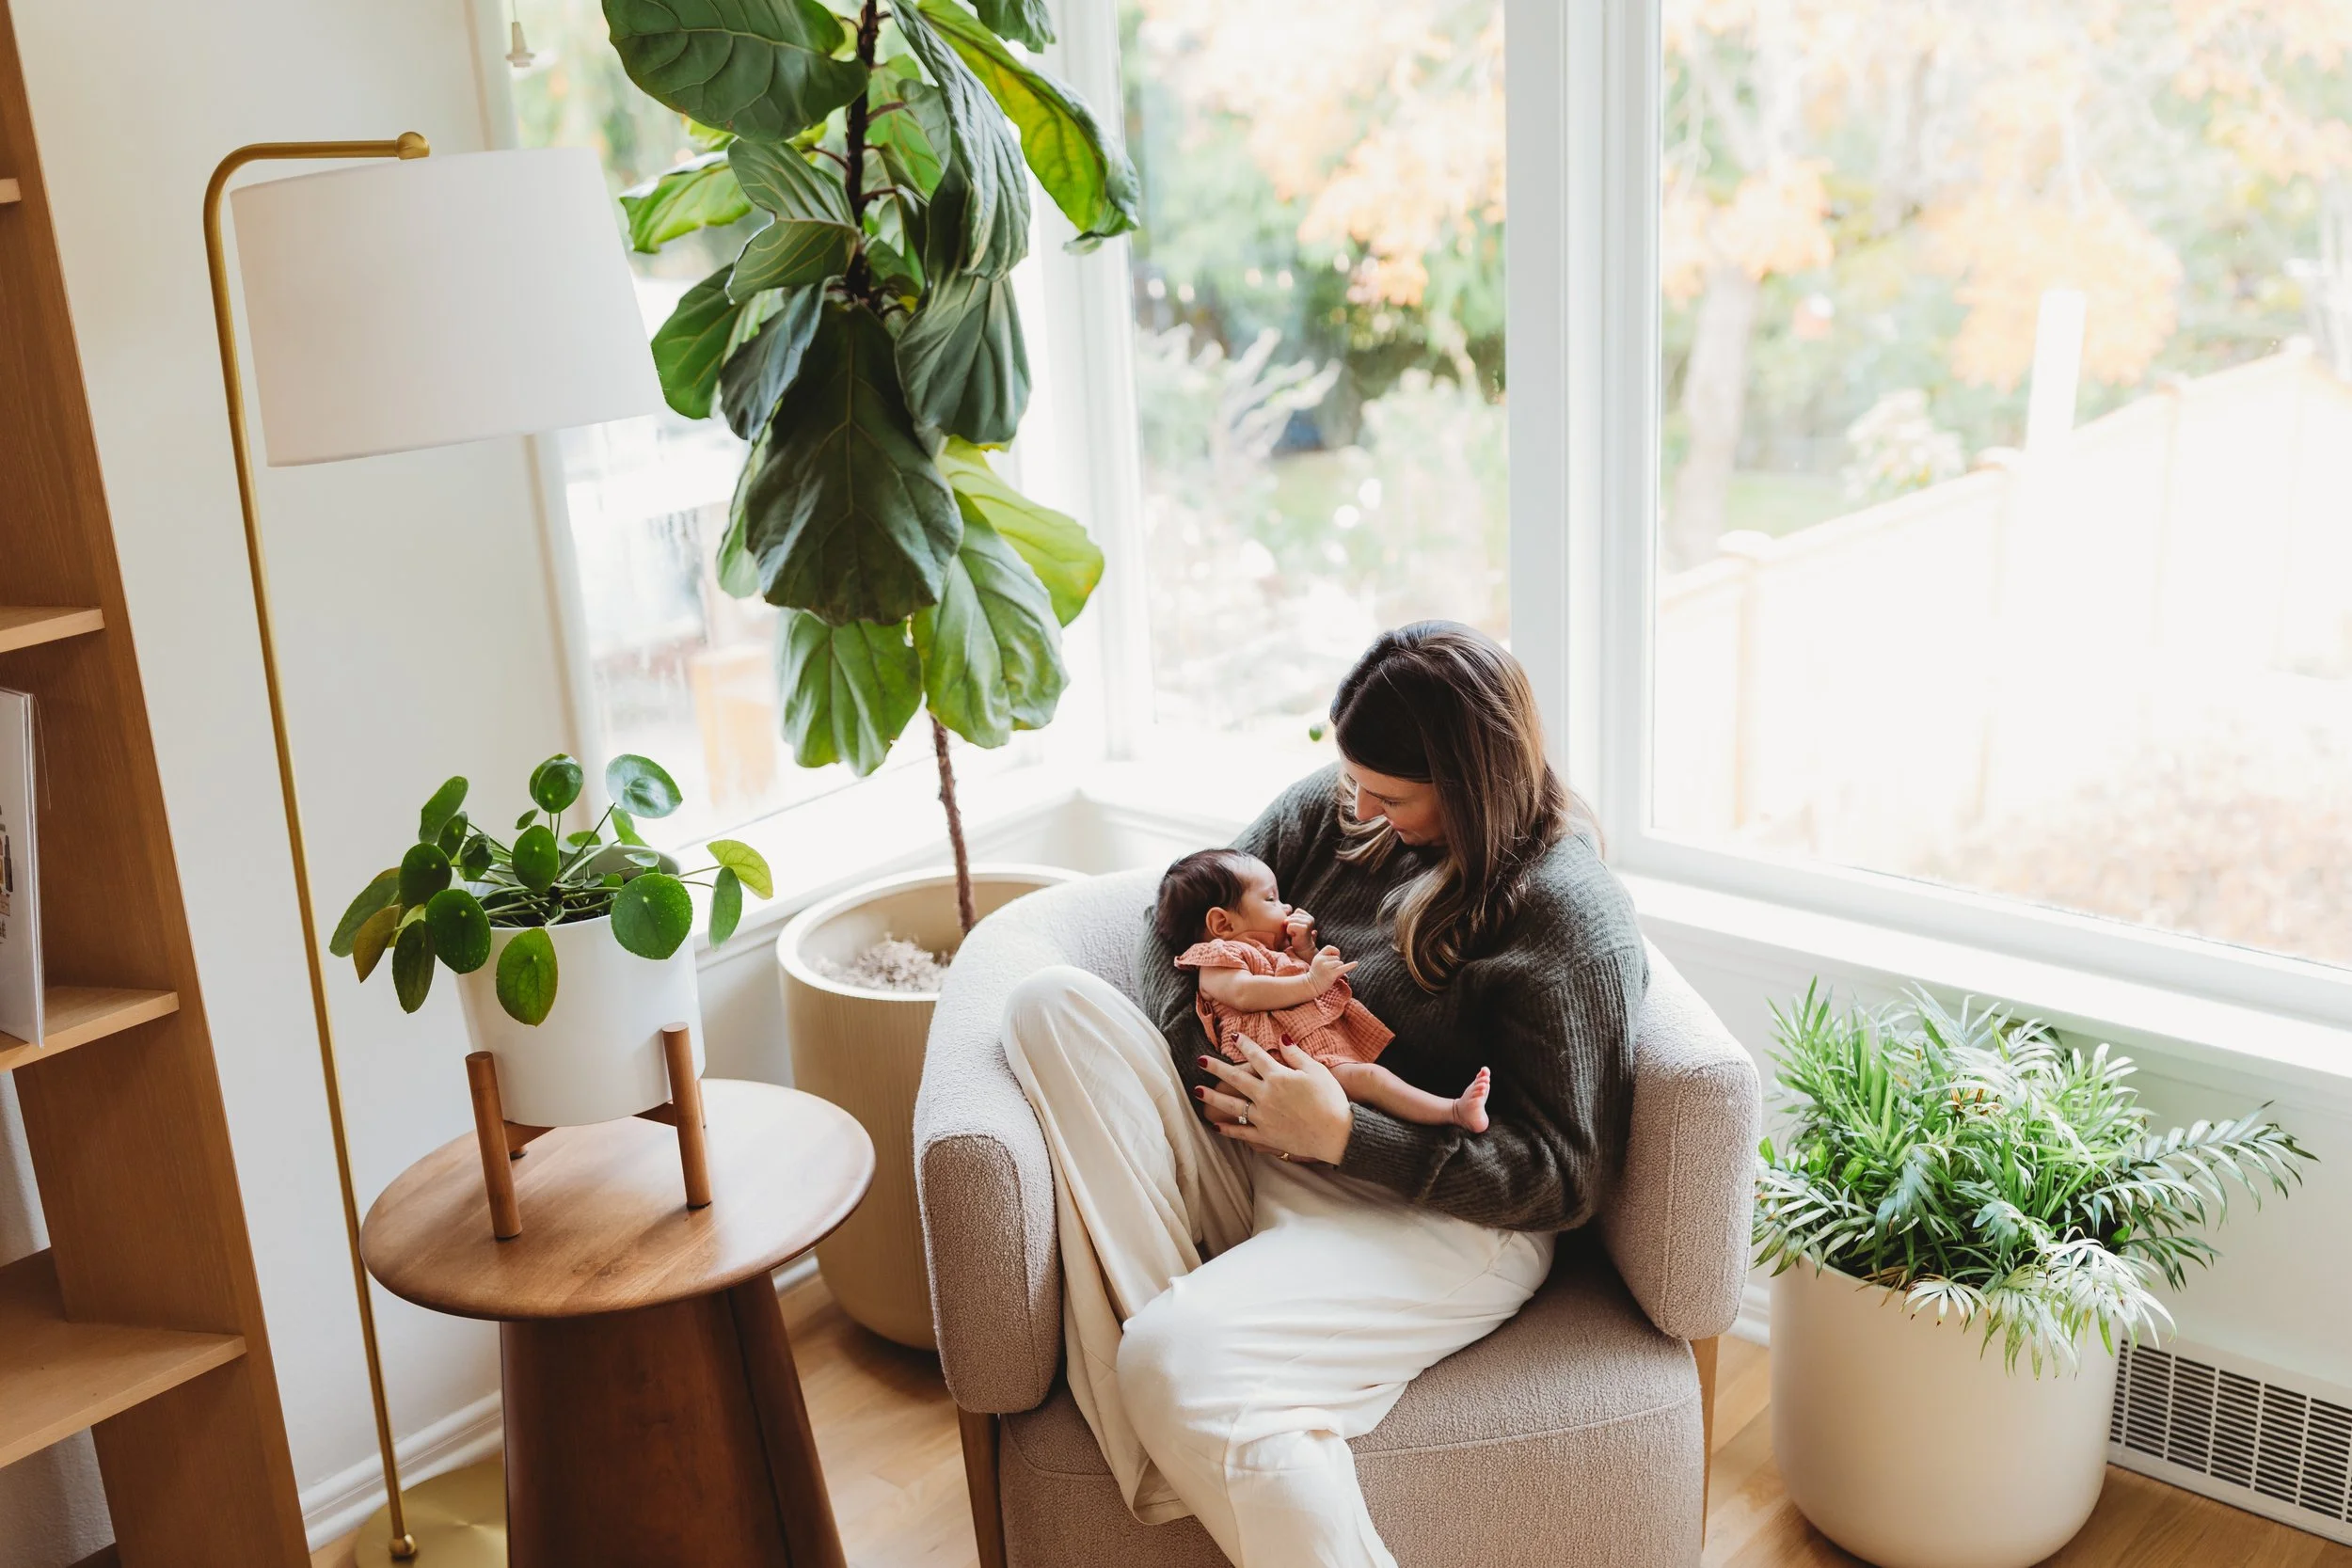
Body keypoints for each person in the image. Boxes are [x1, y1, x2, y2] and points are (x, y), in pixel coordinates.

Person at [1000, 621, 1645, 1568]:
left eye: (1388, 795)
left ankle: (1181, 1380)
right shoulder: (1331, 810)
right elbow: (1174, 924)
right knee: (1045, 1006)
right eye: (1349, 779)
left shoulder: (1563, 916)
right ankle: (1196, 1386)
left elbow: (1562, 1176)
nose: (1357, 810)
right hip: (1263, 1138)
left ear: (1470, 783)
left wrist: (1347, 1134)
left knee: (1168, 1355)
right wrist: (1232, 1079)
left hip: (1440, 1215)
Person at [1155, 847, 1493, 1132]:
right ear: (1222, 924)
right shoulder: (1216, 957)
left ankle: (1445, 1113)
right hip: (1275, 1065)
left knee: (1374, 1079)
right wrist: (1309, 981)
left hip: (1316, 1055)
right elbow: (1244, 993)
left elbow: (1312, 982)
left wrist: (1306, 952)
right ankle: (1452, 1112)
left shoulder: (1278, 953)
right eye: (1271, 899)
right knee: (1371, 1080)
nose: (1286, 908)